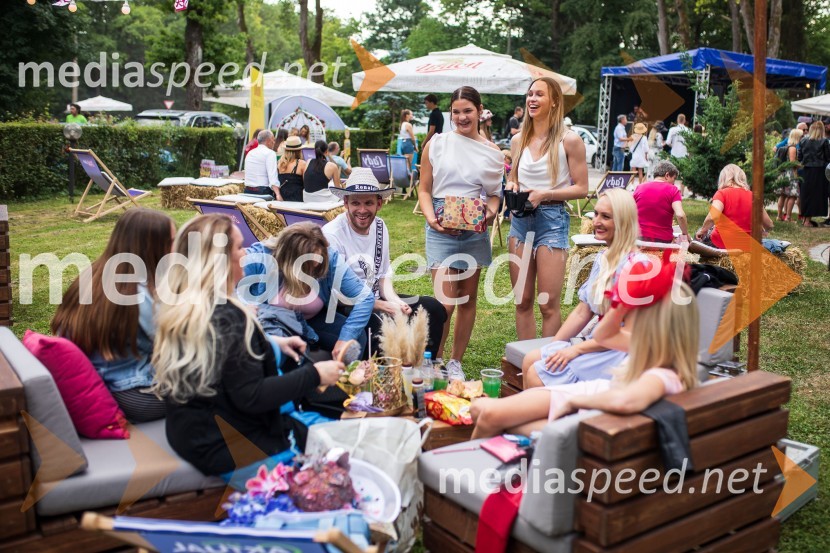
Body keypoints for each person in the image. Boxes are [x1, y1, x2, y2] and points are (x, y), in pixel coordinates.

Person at [152, 214, 343, 477]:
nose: (246, 254)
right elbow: (252, 396)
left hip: (190, 433)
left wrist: (273, 344)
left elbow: (224, 359)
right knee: (347, 453)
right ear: (219, 260)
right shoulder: (227, 319)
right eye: (240, 247)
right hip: (230, 447)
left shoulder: (189, 306)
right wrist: (316, 374)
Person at [471, 263, 698, 440]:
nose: (629, 323)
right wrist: (624, 300)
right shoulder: (654, 354)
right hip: (590, 401)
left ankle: (468, 477)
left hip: (584, 406)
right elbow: (603, 336)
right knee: (482, 409)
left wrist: (574, 402)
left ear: (656, 328)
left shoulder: (660, 376)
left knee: (488, 414)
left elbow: (625, 402)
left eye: (636, 317)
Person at [51, 209, 175, 423]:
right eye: (173, 242)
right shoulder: (141, 294)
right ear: (154, 246)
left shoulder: (94, 275)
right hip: (138, 395)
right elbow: (175, 347)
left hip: (101, 382)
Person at [418, 86, 504, 379]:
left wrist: (488, 213)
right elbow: (424, 189)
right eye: (456, 111)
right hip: (440, 222)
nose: (461, 117)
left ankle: (455, 362)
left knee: (467, 299)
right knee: (444, 301)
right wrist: (432, 219)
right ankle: (435, 361)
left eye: (467, 110)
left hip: (474, 226)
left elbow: (493, 195)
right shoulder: (437, 144)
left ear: (480, 111)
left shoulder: (492, 152)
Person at [520, 189, 640, 389]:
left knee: (536, 373)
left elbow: (630, 336)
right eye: (596, 214)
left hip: (618, 352)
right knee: (530, 359)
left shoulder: (635, 266)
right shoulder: (604, 257)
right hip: (598, 342)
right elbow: (583, 311)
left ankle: (552, 415)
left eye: (606, 217)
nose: (596, 222)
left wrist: (576, 350)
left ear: (624, 221)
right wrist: (554, 346)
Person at [323, 168, 448, 357]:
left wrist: (396, 301)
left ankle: (423, 368)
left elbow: (383, 276)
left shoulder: (380, 226)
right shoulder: (332, 234)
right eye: (356, 202)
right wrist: (383, 306)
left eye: (369, 203)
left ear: (379, 204)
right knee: (383, 323)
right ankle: (393, 374)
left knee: (434, 308)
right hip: (346, 306)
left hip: (377, 297)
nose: (362, 210)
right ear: (346, 203)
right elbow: (337, 293)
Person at [506, 77, 589, 340]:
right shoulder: (518, 140)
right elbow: (514, 177)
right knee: (522, 301)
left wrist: (546, 194)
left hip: (552, 220)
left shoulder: (569, 140)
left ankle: (545, 364)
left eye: (539, 94)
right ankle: (523, 365)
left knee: (547, 304)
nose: (532, 99)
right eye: (530, 94)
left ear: (554, 102)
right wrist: (512, 184)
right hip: (520, 220)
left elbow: (582, 189)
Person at [244, 223, 375, 360]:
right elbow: (224, 281)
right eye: (306, 267)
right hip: (272, 323)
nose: (314, 271)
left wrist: (345, 338)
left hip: (310, 319)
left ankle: (346, 379)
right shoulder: (261, 256)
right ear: (287, 259)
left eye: (318, 264)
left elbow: (365, 297)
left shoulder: (331, 259)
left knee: (355, 338)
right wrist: (246, 307)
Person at [695, 164, 773, 250]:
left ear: (723, 178)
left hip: (722, 243)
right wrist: (764, 232)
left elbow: (712, 217)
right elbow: (769, 224)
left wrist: (703, 230)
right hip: (747, 245)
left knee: (698, 234)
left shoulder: (722, 193)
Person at [633, 160, 689, 243]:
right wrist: (685, 234)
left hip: (638, 238)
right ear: (667, 175)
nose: (673, 183)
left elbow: (628, 211)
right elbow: (680, 215)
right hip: (662, 240)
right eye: (674, 179)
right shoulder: (673, 190)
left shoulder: (639, 188)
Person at [797, 121, 830, 227]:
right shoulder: (824, 141)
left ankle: (806, 219)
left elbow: (800, 157)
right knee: (816, 196)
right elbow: (828, 157)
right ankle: (807, 221)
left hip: (805, 170)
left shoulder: (803, 140)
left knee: (806, 194)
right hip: (819, 171)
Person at [774, 128, 802, 222]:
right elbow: (792, 163)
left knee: (782, 195)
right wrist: (802, 165)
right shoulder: (793, 148)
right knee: (792, 196)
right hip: (791, 174)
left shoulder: (786, 146)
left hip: (783, 173)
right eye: (801, 136)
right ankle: (788, 217)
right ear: (797, 137)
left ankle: (779, 216)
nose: (802, 138)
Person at [244, 130, 281, 199]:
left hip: (247, 191)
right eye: (273, 140)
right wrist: (278, 194)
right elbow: (273, 178)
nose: (274, 142)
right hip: (262, 192)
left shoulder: (250, 153)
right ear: (268, 141)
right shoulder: (270, 153)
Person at [277, 136, 306, 202]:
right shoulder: (302, 164)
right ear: (299, 150)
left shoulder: (280, 163)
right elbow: (307, 184)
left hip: (282, 199)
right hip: (297, 200)